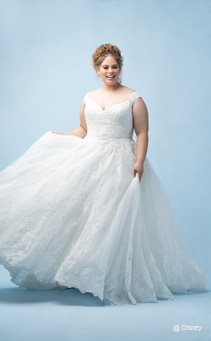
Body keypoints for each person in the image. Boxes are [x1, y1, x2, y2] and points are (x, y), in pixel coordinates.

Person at [0, 43, 206, 304]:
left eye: (115, 67)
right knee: (78, 211)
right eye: (105, 67)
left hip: (121, 159)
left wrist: (140, 161)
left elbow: (142, 132)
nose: (111, 71)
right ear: (97, 69)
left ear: (120, 68)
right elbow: (84, 129)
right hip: (89, 156)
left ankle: (110, 276)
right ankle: (76, 271)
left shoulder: (134, 98)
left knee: (112, 216)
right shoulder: (89, 97)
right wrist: (64, 137)